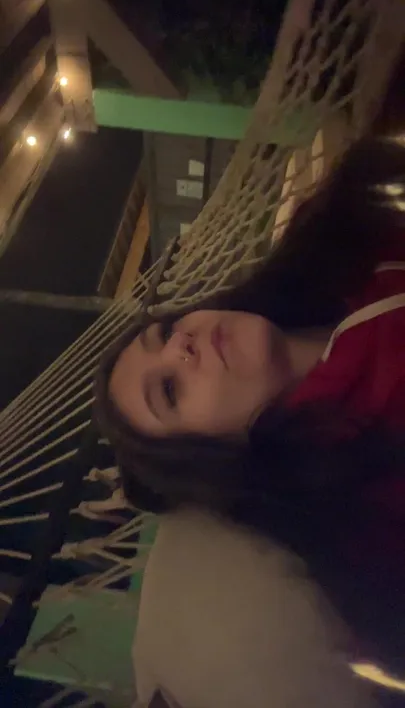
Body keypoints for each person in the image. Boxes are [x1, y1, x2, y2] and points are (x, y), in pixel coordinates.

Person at [95, 136, 405, 676]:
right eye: (170, 390)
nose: (180, 345)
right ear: (211, 454)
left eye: (165, 333)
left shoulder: (346, 250)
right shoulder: (368, 510)